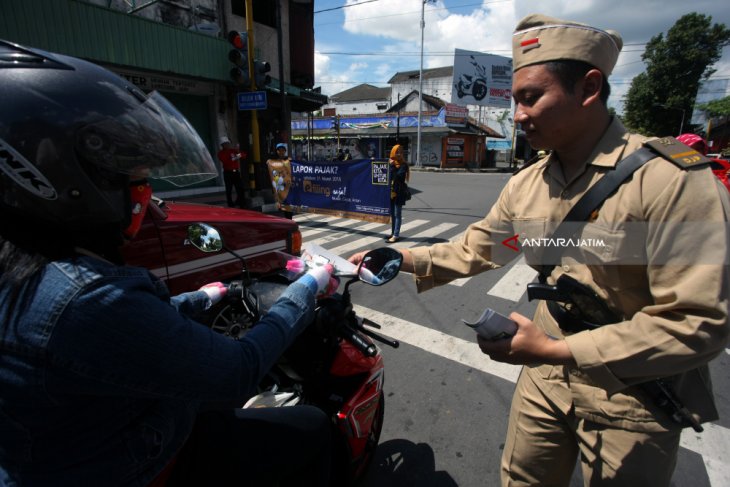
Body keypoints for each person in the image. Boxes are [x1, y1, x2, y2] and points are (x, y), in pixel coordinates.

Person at [350, 14, 729, 486]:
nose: (519, 115)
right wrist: (401, 258)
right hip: (544, 382)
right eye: (516, 100)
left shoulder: (672, 182)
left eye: (532, 98)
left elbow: (697, 322)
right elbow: (485, 246)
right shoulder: (527, 185)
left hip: (634, 397)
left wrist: (556, 349)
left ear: (589, 88)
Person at [0, 40, 334, 487]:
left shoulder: (28, 269)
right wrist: (308, 287)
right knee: (313, 428)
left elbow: (117, 340)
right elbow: (236, 371)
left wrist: (203, 296)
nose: (146, 194)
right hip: (128, 463)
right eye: (134, 179)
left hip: (57, 454)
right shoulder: (82, 296)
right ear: (66, 178)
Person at [385, 144, 410, 243]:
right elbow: (389, 177)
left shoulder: (403, 165)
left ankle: (396, 235)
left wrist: (392, 166)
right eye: (397, 151)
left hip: (399, 192)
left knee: (397, 214)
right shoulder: (391, 164)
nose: (399, 153)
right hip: (391, 192)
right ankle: (393, 233)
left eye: (400, 151)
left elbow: (399, 177)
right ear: (393, 152)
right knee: (392, 214)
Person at [217, 137, 246, 208]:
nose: (227, 145)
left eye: (228, 143)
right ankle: (230, 204)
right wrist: (235, 157)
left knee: (240, 188)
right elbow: (225, 161)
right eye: (226, 144)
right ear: (222, 145)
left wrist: (237, 153)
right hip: (228, 173)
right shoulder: (220, 153)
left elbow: (243, 155)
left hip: (236, 172)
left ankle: (240, 202)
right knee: (229, 189)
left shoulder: (233, 151)